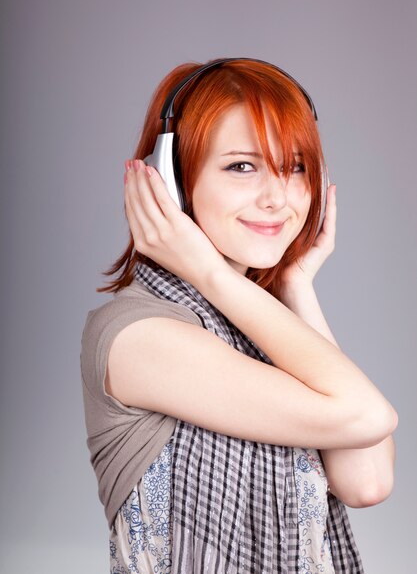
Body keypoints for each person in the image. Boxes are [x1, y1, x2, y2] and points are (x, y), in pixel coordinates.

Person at [80, 58, 398, 574]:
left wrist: (295, 287)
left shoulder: (260, 325)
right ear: (172, 182)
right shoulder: (138, 335)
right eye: (242, 166)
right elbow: (368, 416)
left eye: (295, 166)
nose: (277, 197)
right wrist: (212, 274)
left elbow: (367, 481)